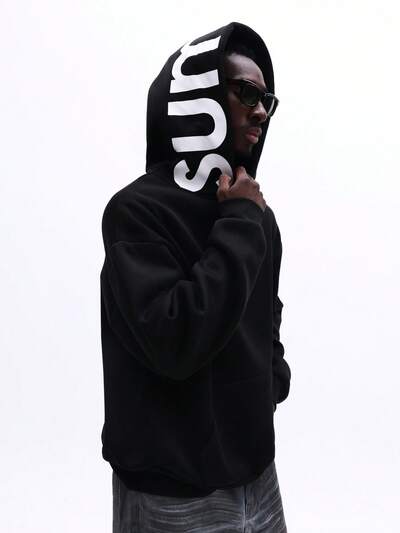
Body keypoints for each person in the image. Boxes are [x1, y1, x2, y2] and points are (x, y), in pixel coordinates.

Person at [100, 21, 291, 532]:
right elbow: (176, 340)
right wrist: (240, 220)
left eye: (267, 100)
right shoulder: (136, 212)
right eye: (245, 92)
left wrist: (268, 384)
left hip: (258, 476)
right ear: (197, 95)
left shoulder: (257, 216)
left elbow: (266, 315)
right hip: (170, 492)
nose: (260, 110)